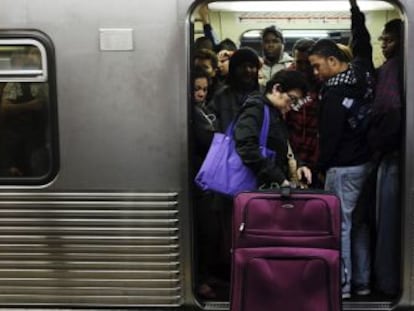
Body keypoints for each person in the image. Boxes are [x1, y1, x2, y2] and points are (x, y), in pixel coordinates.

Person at [308, 0, 375, 298]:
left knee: (341, 225)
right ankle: (362, 282)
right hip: (366, 164)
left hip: (344, 168)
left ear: (333, 62)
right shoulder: (362, 73)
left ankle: (343, 285)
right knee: (359, 224)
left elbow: (330, 138)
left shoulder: (333, 92)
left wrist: (319, 166)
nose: (314, 72)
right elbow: (363, 43)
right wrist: (355, 10)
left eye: (317, 65)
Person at [367, 17, 403, 297]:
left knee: (388, 221)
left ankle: (389, 284)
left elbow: (389, 109)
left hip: (393, 155)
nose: (384, 46)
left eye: (388, 40)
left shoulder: (392, 68)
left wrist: (375, 144)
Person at [234, 70, 312, 188]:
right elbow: (246, 147)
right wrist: (279, 179)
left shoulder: (275, 113)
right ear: (277, 89)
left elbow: (282, 147)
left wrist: (299, 165)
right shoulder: (256, 108)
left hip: (265, 187)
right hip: (253, 189)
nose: (292, 105)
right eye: (292, 99)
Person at [0, 47, 49, 177]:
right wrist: (30, 106)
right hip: (16, 140)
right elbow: (5, 107)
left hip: (37, 138)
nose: (34, 58)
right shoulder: (14, 81)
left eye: (37, 55)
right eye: (32, 54)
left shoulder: (43, 80)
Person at [285, 39, 320, 183]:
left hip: (315, 150)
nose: (304, 67)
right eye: (300, 63)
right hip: (290, 151)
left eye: (308, 63)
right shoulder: (285, 81)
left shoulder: (322, 82)